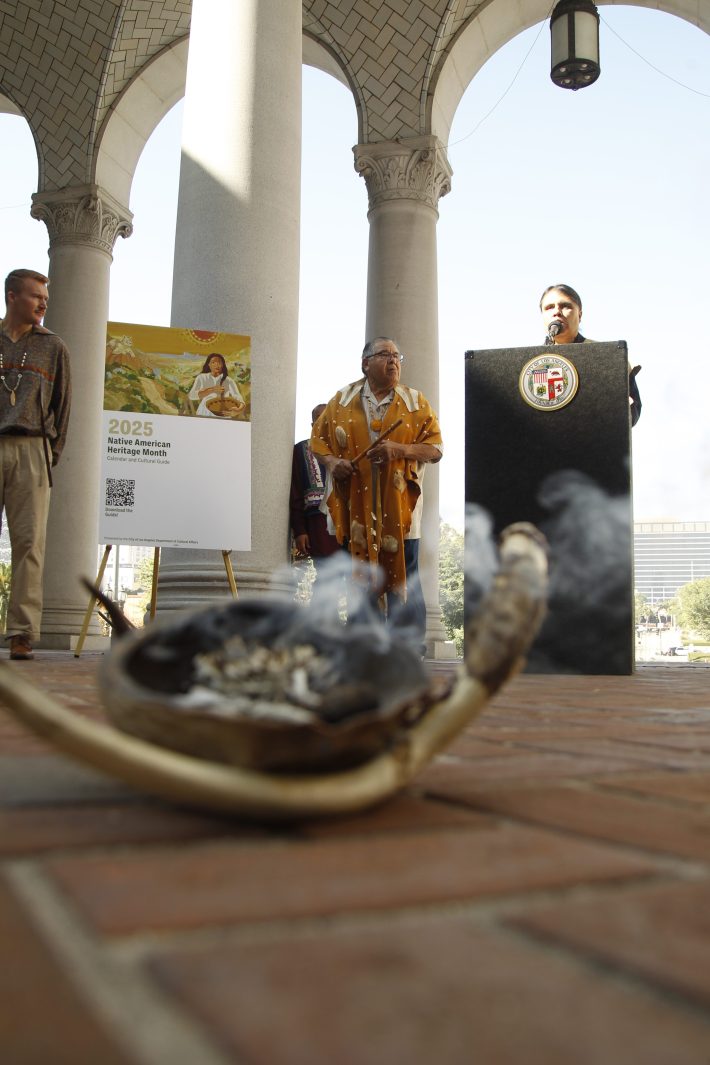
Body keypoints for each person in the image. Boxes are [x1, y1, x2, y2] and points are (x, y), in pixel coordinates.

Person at [310, 337, 443, 640]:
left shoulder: (415, 402)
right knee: (359, 574)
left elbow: (435, 449)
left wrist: (400, 450)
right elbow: (319, 442)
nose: (394, 361)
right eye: (385, 355)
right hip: (355, 507)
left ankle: (406, 645)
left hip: (400, 509)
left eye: (398, 356)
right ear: (365, 363)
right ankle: (363, 643)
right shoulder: (342, 400)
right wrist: (332, 463)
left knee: (405, 574)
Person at [0, 269, 72, 660]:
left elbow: (64, 406)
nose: (43, 303)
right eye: (35, 296)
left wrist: (50, 454)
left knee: (30, 544)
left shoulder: (53, 346)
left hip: (33, 448)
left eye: (46, 297)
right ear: (12, 296)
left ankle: (22, 634)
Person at [540, 284, 642, 425]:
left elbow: (633, 409)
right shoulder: (529, 362)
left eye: (565, 306)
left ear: (579, 315)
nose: (556, 312)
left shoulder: (608, 356)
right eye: (549, 307)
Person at [289, 404, 339, 570]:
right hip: (317, 525)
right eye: (321, 420)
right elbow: (295, 493)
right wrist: (300, 531)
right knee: (325, 574)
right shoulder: (301, 450)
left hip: (346, 524)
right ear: (313, 425)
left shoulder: (347, 450)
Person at [188, 353, 245, 417]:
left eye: (219, 362)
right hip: (204, 412)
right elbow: (192, 396)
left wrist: (238, 410)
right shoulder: (202, 377)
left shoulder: (229, 380)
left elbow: (239, 398)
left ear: (223, 365)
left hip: (223, 413)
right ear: (208, 364)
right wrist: (212, 390)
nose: (216, 365)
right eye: (213, 362)